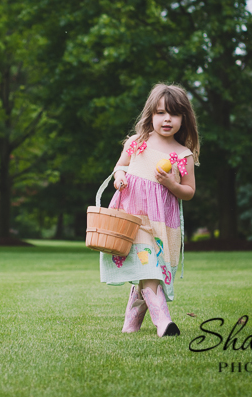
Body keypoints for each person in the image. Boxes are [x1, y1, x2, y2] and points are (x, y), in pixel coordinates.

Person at [99, 83, 199, 337]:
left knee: (151, 269)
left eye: (174, 114)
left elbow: (189, 191)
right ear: (150, 115)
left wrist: (171, 184)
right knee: (149, 266)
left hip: (163, 223)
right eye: (161, 113)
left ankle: (130, 324)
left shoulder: (182, 154)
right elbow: (120, 166)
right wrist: (119, 178)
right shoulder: (137, 143)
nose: (167, 119)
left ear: (183, 118)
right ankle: (163, 322)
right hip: (133, 217)